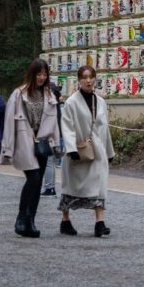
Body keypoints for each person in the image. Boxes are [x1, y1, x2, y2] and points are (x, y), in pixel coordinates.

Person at [1, 59, 61, 238]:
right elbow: (9, 122)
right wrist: (7, 148)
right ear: (32, 74)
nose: (42, 77)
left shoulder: (50, 95)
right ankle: (21, 217)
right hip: (24, 141)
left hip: (42, 142)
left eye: (44, 74)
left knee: (38, 181)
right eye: (39, 73)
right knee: (33, 178)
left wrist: (57, 144)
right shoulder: (19, 94)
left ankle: (31, 220)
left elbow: (54, 122)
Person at [58, 65, 114, 238]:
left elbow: (105, 128)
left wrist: (109, 152)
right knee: (72, 186)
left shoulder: (101, 102)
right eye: (84, 77)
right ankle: (65, 219)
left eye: (91, 77)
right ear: (79, 80)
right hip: (79, 149)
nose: (88, 80)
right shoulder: (71, 102)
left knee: (99, 186)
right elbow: (67, 126)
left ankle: (99, 222)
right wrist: (71, 148)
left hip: (98, 151)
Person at [41, 81, 65, 197]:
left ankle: (49, 188)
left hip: (50, 135)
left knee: (48, 162)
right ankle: (49, 187)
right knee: (51, 162)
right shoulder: (56, 103)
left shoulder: (50, 103)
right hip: (57, 134)